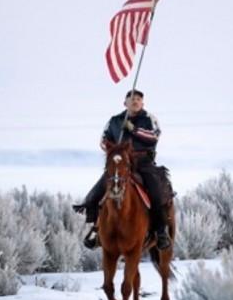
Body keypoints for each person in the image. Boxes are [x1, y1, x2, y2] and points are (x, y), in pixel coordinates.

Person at [73, 89, 173, 251]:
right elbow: (103, 140)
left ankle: (160, 232)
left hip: (143, 162)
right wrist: (114, 149)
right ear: (125, 103)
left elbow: (154, 137)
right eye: (132, 99)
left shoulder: (149, 119)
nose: (135, 101)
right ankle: (95, 230)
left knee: (156, 192)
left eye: (139, 99)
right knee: (95, 193)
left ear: (143, 103)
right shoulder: (114, 120)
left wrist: (133, 129)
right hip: (121, 162)